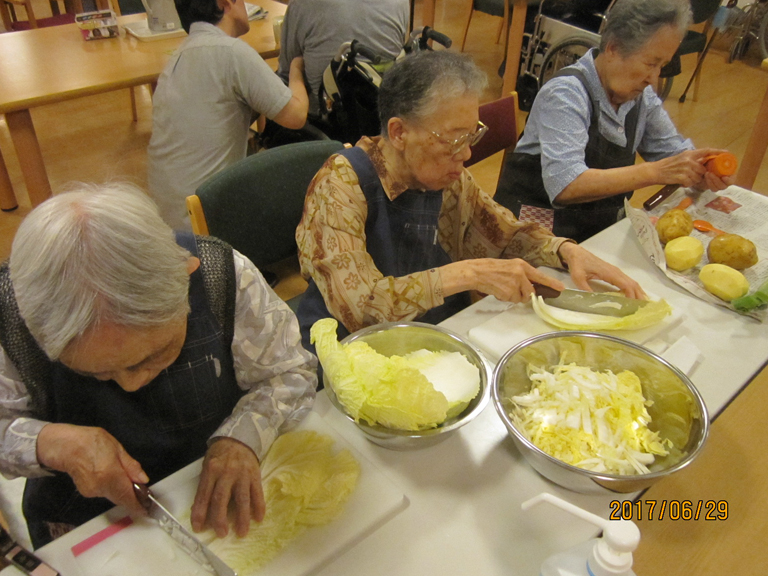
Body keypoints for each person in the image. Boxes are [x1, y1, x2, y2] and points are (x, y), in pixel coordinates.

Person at [0, 184, 317, 549]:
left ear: (186, 275)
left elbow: (288, 372)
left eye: (153, 356)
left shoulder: (221, 276)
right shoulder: (11, 314)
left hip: (206, 492)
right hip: (84, 527)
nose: (131, 384)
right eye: (95, 372)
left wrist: (242, 436)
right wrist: (49, 444)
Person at [295, 50, 645, 355]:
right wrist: (469, 273)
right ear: (400, 132)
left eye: (472, 134)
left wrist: (566, 252)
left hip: (426, 336)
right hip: (349, 350)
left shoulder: (447, 177)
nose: (465, 153)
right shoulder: (341, 184)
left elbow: (505, 234)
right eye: (453, 140)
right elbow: (363, 310)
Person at [494, 0, 732, 243]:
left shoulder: (641, 97)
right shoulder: (565, 94)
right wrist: (657, 172)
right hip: (535, 228)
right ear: (613, 48)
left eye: (662, 65)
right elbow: (566, 185)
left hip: (596, 229)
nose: (654, 77)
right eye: (650, 63)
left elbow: (671, 152)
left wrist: (701, 169)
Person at [147, 0, 309, 230]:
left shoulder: (177, 58)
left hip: (169, 219)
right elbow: (296, 115)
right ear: (224, 3)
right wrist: (296, 69)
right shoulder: (232, 52)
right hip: (207, 223)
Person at [276, 0, 409, 116]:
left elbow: (285, 74)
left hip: (325, 120)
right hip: (385, 116)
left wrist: (296, 67)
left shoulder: (303, 4)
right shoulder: (400, 2)